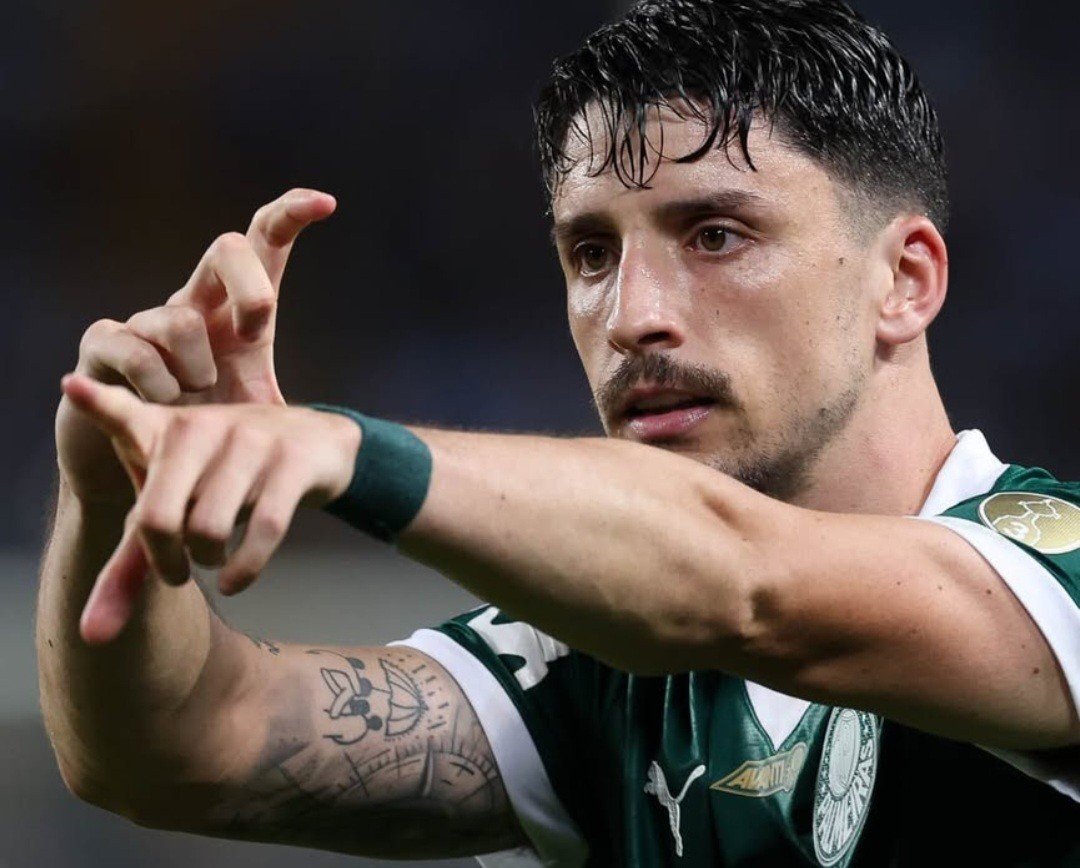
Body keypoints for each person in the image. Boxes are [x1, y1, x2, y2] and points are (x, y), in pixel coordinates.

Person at [37, 0, 1079, 865]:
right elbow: (179, 745)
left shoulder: (1055, 576)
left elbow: (742, 582)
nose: (632, 316)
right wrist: (109, 483)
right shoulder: (601, 673)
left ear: (905, 280)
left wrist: (351, 451)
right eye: (591, 254)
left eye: (717, 234)